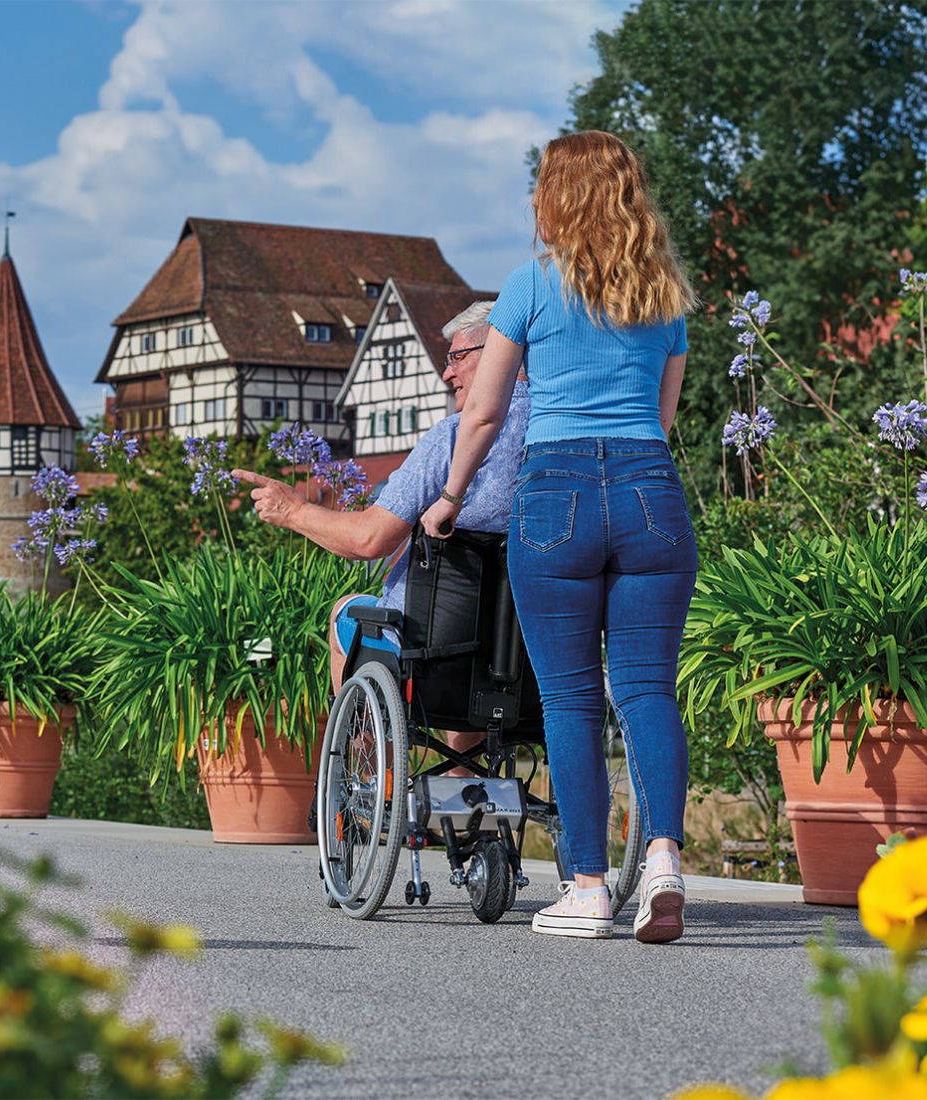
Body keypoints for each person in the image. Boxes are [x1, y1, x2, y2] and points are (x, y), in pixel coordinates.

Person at [421, 130, 697, 944]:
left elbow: (484, 411)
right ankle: (663, 858)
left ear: (554, 198)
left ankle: (586, 886)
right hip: (651, 492)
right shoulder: (665, 295)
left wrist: (449, 497)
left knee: (574, 697)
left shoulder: (530, 286)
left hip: (556, 499)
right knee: (646, 688)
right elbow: (665, 418)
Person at [232, 302, 530, 772]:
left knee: (345, 613)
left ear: (501, 353)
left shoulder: (454, 440)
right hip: (535, 665)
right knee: (482, 654)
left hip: (433, 660)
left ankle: (366, 779)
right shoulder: (562, 437)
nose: (447, 374)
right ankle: (471, 805)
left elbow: (370, 540)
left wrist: (295, 510)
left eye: (456, 358)